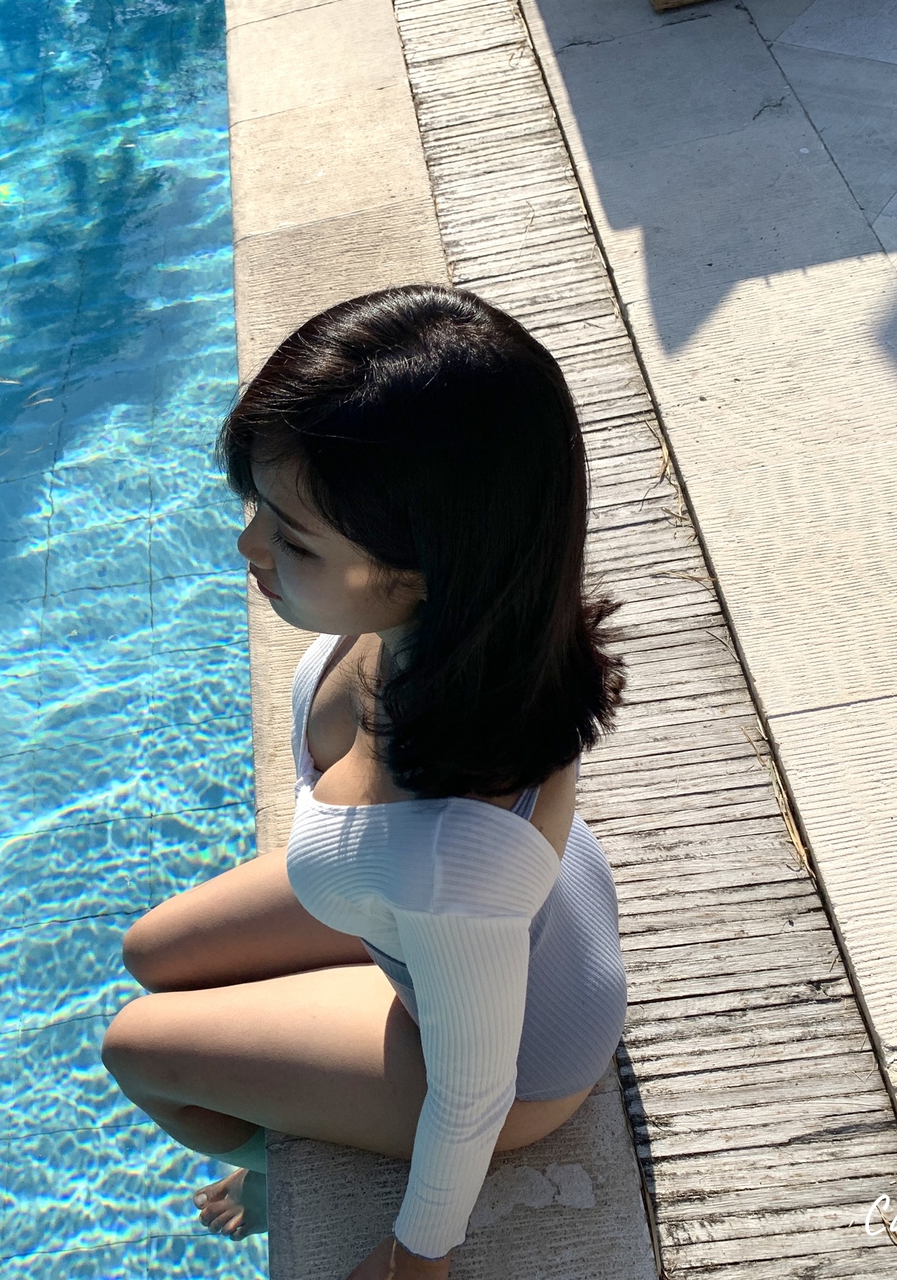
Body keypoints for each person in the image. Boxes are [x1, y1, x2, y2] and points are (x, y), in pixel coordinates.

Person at [100, 284, 629, 1279]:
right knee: (151, 953)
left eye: (292, 539)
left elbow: (473, 1090)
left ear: (424, 566)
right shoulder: (471, 639)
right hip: (509, 912)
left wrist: (413, 1257)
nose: (248, 548)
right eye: (261, 511)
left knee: (139, 1049)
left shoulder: (449, 849)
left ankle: (273, 1171)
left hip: (526, 1051)